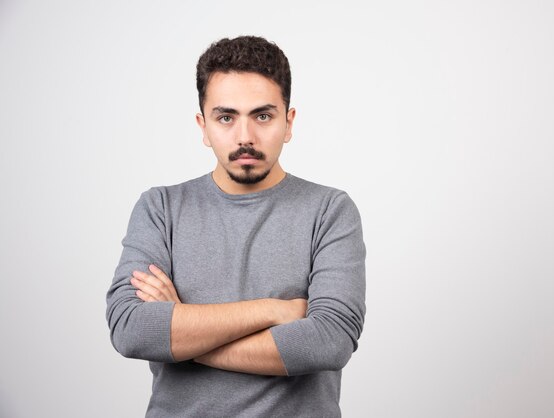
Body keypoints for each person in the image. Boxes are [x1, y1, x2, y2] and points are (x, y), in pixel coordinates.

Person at [105, 35, 366, 418]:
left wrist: (183, 333)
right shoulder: (160, 208)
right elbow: (131, 329)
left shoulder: (330, 210)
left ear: (288, 122)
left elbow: (328, 341)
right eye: (226, 117)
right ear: (203, 125)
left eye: (263, 116)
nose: (245, 137)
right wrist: (273, 310)